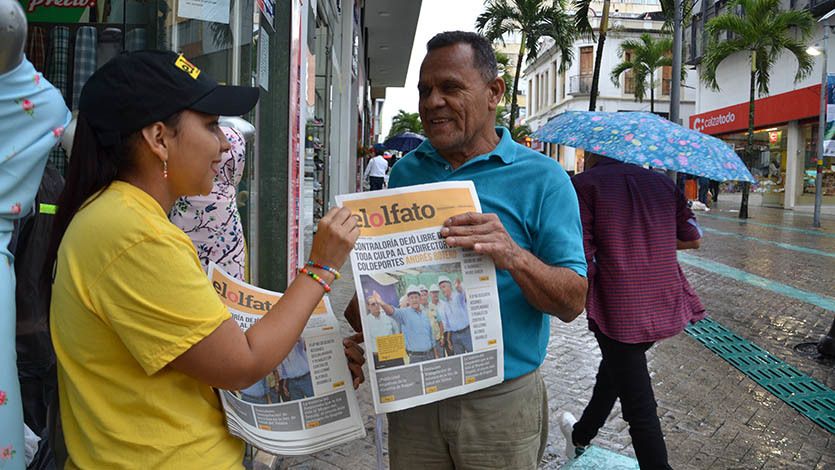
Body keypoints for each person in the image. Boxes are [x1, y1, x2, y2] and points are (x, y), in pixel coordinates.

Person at [47, 50, 360, 468]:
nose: (225, 145)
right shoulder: (135, 235)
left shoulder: (122, 218)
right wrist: (320, 268)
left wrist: (319, 364)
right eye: (211, 125)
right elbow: (241, 363)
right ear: (159, 139)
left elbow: (204, 357)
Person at [345, 31, 587, 469]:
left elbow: (572, 301)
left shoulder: (544, 179)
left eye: (450, 87)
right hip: (416, 398)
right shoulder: (406, 173)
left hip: (500, 406)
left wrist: (513, 255)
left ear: (494, 92)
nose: (433, 102)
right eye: (425, 90)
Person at [563, 153, 705, 469]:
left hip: (618, 308)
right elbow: (692, 238)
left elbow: (581, 253)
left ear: (593, 153)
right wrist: (651, 238)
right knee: (614, 374)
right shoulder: (662, 184)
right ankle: (580, 435)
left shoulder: (584, 186)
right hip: (662, 301)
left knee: (639, 408)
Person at [376, 286, 435, 364]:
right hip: (416, 358)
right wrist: (381, 303)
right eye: (411, 298)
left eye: (416, 297)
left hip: (430, 355)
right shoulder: (404, 313)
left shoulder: (424, 314)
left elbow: (430, 334)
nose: (414, 300)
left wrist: (435, 354)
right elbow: (391, 311)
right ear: (408, 300)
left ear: (420, 299)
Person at [364, 294, 403, 368]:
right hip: (378, 356)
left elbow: (397, 332)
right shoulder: (366, 321)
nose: (376, 306)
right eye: (373, 304)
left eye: (377, 303)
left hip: (393, 353)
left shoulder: (388, 316)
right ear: (368, 307)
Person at [437, 276, 471, 355]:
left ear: (450, 286)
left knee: (472, 355)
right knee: (460, 357)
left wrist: (459, 287)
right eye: (441, 288)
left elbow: (462, 293)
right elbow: (448, 325)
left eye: (444, 287)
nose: (442, 290)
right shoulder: (445, 305)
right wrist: (449, 339)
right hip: (454, 336)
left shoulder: (458, 296)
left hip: (466, 333)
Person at [425, 284, 446, 358]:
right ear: (430, 294)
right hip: (429, 342)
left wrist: (442, 337)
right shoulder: (421, 309)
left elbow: (440, 323)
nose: (435, 294)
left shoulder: (442, 304)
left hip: (441, 337)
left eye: (436, 292)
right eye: (433, 292)